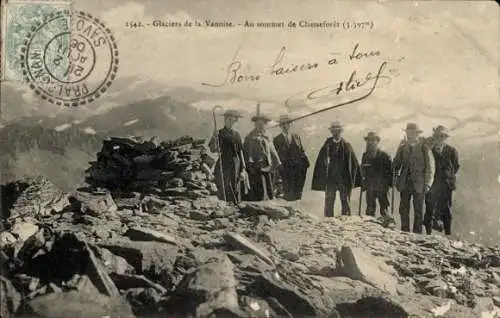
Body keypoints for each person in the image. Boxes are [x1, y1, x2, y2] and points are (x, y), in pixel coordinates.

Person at [312, 121, 362, 217]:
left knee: (345, 201)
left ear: (340, 131)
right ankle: (328, 219)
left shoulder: (347, 145)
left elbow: (354, 163)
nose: (335, 133)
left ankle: (346, 220)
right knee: (329, 200)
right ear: (331, 132)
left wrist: (355, 178)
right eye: (333, 131)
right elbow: (321, 160)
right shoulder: (327, 144)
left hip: (343, 178)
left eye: (337, 131)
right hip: (331, 178)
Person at [393, 123, 435, 233]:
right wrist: (396, 178)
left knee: (418, 210)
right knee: (403, 209)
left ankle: (417, 234)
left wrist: (428, 184)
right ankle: (404, 232)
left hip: (419, 183)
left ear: (417, 134)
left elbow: (430, 167)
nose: (410, 135)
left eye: (413, 133)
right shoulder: (403, 147)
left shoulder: (424, 147)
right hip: (405, 183)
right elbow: (396, 165)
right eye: (408, 132)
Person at [424, 125, 460, 235]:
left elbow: (455, 166)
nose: (440, 138)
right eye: (437, 136)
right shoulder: (429, 150)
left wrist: (448, 176)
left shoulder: (452, 150)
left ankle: (447, 233)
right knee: (430, 207)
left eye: (442, 136)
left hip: (446, 184)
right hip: (432, 183)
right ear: (434, 137)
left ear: (445, 137)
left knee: (446, 209)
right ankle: (428, 234)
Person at [208, 109, 247, 205]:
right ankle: (224, 206)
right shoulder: (219, 133)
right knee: (224, 185)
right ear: (225, 119)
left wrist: (243, 169)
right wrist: (214, 138)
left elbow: (240, 152)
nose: (231, 122)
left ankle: (235, 206)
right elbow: (213, 149)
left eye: (233, 120)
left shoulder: (237, 135)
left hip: (236, 163)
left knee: (235, 185)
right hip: (224, 163)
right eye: (229, 119)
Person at [243, 112, 281, 201]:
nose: (261, 125)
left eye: (263, 123)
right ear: (255, 124)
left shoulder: (267, 136)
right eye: (259, 123)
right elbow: (248, 152)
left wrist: (277, 162)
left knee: (269, 186)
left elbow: (272, 150)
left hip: (268, 165)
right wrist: (250, 165)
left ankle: (268, 200)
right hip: (256, 166)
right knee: (258, 187)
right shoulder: (250, 137)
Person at [273, 115, 310, 201]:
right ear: (280, 126)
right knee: (287, 192)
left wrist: (304, 165)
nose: (285, 126)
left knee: (297, 192)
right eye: (283, 124)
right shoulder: (277, 139)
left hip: (297, 169)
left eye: (287, 123)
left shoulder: (296, 137)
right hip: (285, 170)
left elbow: (301, 151)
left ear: (290, 124)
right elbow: (275, 156)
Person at [361, 132, 393, 218]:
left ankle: (387, 226)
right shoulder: (365, 156)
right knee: (370, 209)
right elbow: (363, 171)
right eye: (369, 140)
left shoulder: (384, 155)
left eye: (373, 140)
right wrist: (363, 183)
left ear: (377, 141)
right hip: (370, 187)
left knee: (384, 209)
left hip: (382, 187)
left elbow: (390, 172)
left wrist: (389, 184)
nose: (370, 142)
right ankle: (370, 228)